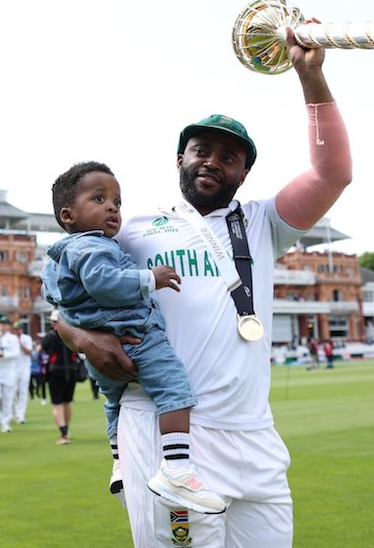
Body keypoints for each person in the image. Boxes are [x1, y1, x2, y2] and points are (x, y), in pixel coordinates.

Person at [55, 33, 350, 546]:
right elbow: (60, 289)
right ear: (180, 160)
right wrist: (78, 337)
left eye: (229, 156)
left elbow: (333, 173)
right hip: (167, 431)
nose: (213, 161)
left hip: (254, 437)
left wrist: (310, 74)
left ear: (244, 172)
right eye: (201, 150)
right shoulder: (131, 227)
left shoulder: (263, 223)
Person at [41, 160, 224, 514]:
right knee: (175, 392)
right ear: (68, 215)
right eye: (99, 199)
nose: (112, 207)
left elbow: (54, 294)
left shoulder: (58, 257)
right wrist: (149, 278)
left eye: (117, 201)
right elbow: (105, 284)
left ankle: (119, 463)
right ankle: (177, 470)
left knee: (113, 402)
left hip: (100, 352)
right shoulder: (94, 247)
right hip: (135, 336)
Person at [41, 311, 78, 445]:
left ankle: (64, 432)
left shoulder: (50, 337)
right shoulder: (73, 334)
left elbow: (43, 349)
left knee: (58, 404)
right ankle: (65, 430)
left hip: (56, 372)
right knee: (66, 403)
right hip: (70, 372)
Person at [11, 320, 34, 424]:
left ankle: (21, 415)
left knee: (23, 391)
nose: (17, 331)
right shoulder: (10, 339)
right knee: (13, 391)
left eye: (19, 329)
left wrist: (21, 344)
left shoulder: (27, 338)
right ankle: (14, 411)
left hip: (24, 367)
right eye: (15, 329)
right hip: (13, 367)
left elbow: (29, 352)